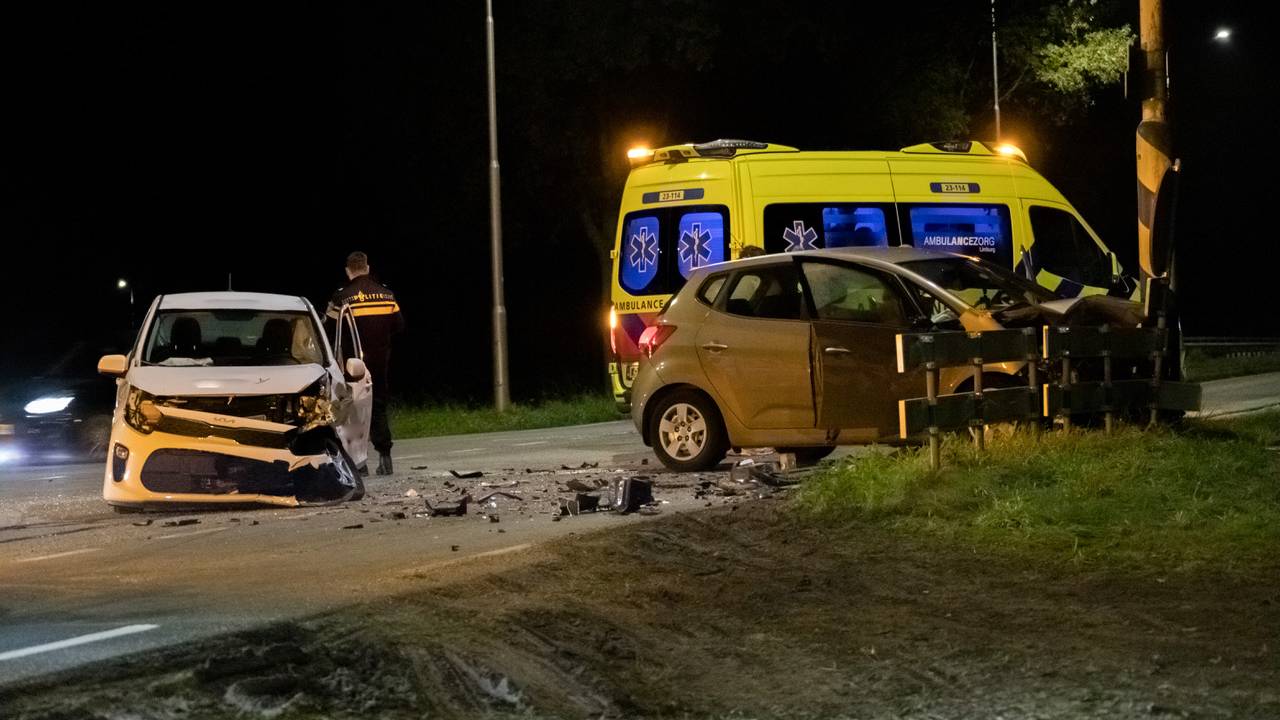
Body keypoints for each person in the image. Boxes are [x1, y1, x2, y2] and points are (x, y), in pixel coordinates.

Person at [325, 252, 405, 475]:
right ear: (367, 268)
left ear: (348, 270)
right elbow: (399, 326)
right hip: (380, 363)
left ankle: (358, 465)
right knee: (378, 406)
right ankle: (385, 456)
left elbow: (329, 330)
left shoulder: (342, 297)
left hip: (352, 365)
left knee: (353, 411)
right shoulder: (387, 295)